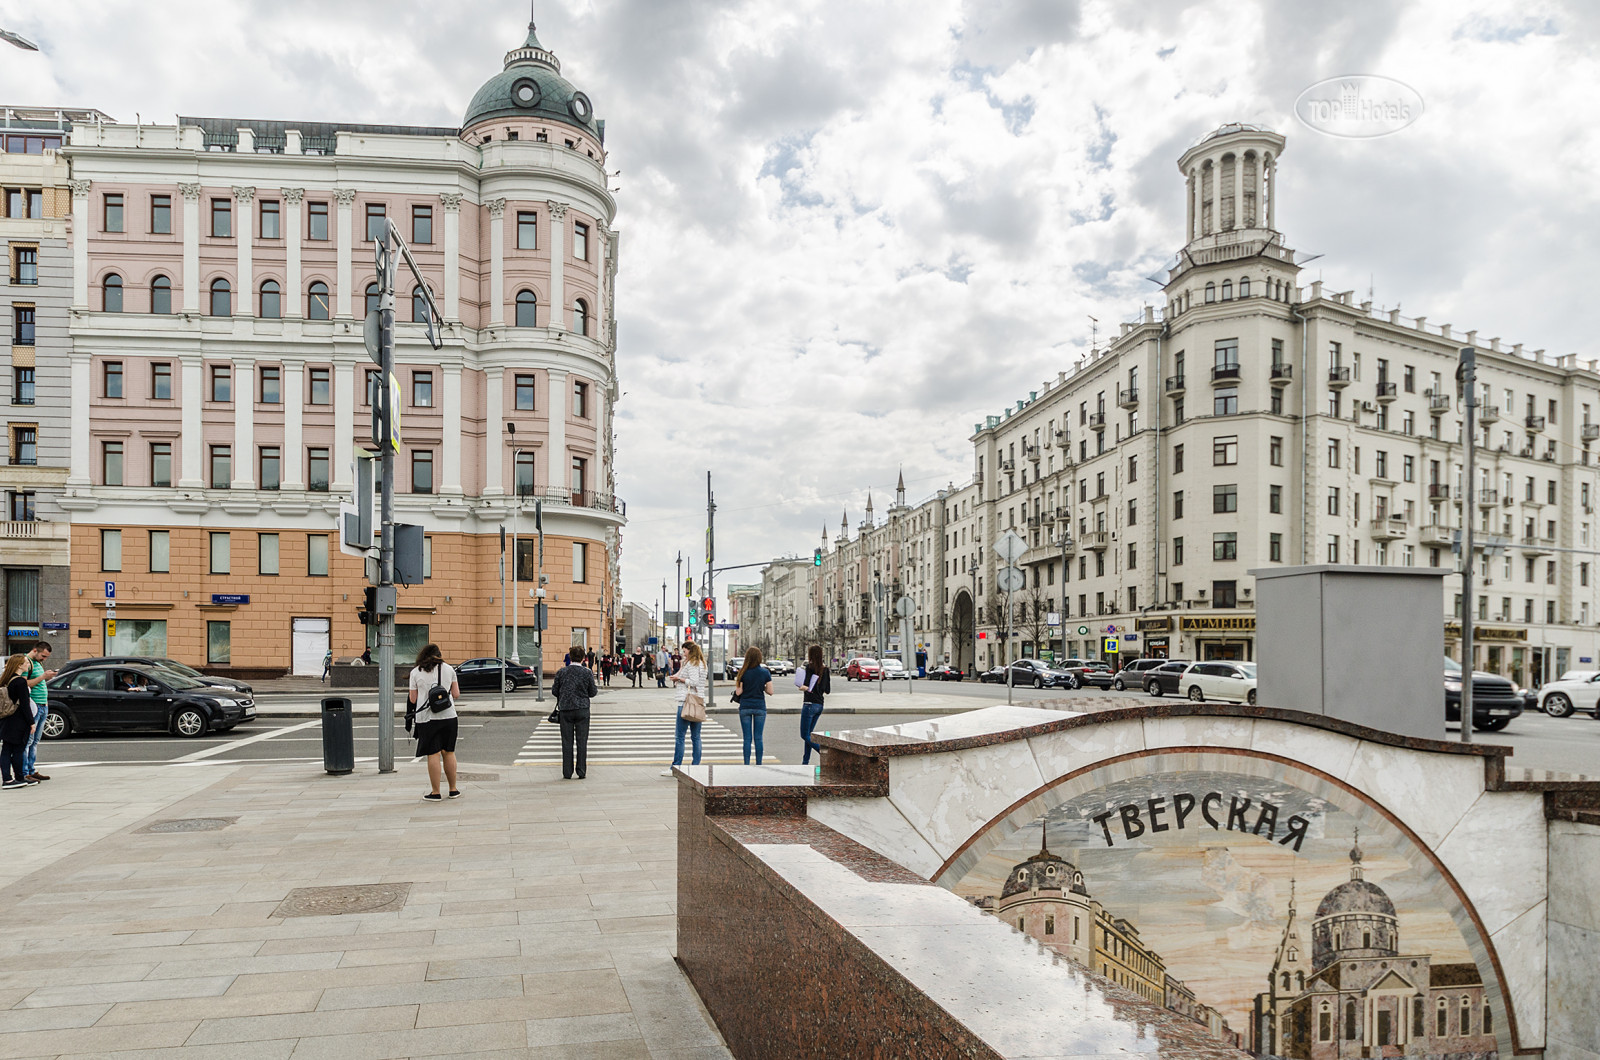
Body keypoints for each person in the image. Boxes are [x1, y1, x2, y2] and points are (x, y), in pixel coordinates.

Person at [407, 644, 461, 801]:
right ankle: (453, 789)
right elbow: (456, 694)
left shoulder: (415, 672)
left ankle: (436, 792)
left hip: (426, 718)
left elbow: (413, 699)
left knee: (433, 753)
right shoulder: (449, 669)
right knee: (449, 752)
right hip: (449, 716)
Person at [662, 641, 708, 777]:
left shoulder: (693, 664)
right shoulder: (701, 664)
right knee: (696, 737)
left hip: (686, 702)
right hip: (698, 702)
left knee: (680, 737)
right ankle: (696, 766)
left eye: (684, 651)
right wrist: (678, 676)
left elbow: (692, 682)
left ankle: (675, 767)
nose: (683, 653)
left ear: (690, 650)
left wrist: (680, 679)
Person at [552, 653, 598, 779]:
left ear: (570, 658)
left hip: (566, 709)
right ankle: (581, 771)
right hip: (582, 709)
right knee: (582, 741)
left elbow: (554, 691)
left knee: (567, 741)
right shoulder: (587, 672)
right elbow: (593, 692)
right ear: (583, 658)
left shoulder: (562, 672)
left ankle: (567, 772)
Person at [732, 646, 773, 765]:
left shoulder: (742, 672)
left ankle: (746, 764)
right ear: (759, 658)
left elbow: (739, 692)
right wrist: (762, 686)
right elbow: (770, 691)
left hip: (745, 707)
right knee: (758, 738)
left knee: (747, 739)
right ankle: (759, 764)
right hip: (760, 707)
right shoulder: (765, 672)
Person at [21, 641, 55, 784]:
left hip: (42, 705)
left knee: (35, 741)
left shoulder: (38, 663)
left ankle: (31, 769)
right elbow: (23, 684)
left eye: (46, 657)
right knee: (28, 741)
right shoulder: (25, 662)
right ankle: (25, 772)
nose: (44, 659)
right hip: (33, 706)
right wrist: (43, 677)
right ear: (35, 650)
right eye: (43, 656)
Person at [2, 654, 37, 789]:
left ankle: (9, 778)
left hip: (7, 718)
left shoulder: (6, 679)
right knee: (18, 749)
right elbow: (24, 704)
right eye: (26, 662)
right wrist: (31, 722)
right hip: (18, 720)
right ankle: (16, 778)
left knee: (7, 748)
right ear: (19, 665)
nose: (28, 664)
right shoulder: (20, 682)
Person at [797, 644, 832, 765]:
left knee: (804, 735)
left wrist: (801, 687)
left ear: (811, 655)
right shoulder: (826, 669)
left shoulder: (809, 668)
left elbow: (806, 686)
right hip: (819, 705)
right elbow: (827, 690)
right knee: (809, 735)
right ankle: (805, 762)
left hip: (809, 704)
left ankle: (823, 752)